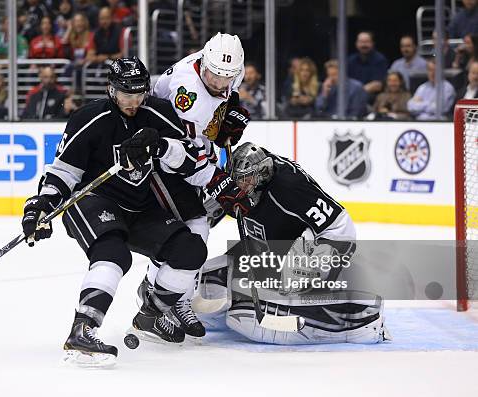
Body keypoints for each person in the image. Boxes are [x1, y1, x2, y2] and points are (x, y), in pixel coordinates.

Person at [21, 57, 247, 365]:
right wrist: (40, 205)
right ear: (111, 90)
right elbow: (63, 173)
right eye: (126, 94)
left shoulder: (158, 112)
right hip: (94, 201)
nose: (133, 101)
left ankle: (150, 315)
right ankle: (82, 329)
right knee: (114, 254)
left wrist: (163, 147)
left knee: (191, 249)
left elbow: (190, 161)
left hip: (140, 206)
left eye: (139, 94)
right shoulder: (89, 118)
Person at [196, 142, 390, 345]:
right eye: (238, 181)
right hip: (271, 245)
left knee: (291, 278)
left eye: (247, 180)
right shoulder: (242, 181)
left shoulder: (289, 187)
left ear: (262, 173)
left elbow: (341, 226)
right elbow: (205, 214)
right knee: (211, 279)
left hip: (315, 244)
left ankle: (358, 319)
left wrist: (316, 261)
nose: (241, 187)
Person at [145, 32, 254, 341]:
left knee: (196, 230)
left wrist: (227, 118)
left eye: (225, 78)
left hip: (189, 149)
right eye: (213, 76)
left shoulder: (229, 70)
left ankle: (175, 295)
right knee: (185, 231)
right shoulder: (188, 95)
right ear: (203, 62)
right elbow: (189, 160)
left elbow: (224, 101)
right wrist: (219, 181)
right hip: (164, 156)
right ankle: (157, 296)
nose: (219, 83)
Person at [347, 31, 388, 101]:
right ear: (356, 44)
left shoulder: (379, 59)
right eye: (361, 42)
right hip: (352, 97)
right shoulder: (350, 60)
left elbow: (377, 85)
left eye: (366, 42)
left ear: (372, 43)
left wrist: (356, 93)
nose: (363, 45)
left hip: (372, 99)